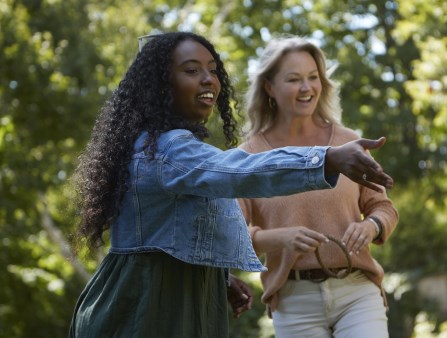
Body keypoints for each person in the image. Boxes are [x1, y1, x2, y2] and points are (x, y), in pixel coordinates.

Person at [68, 31, 393, 338]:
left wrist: (220, 277)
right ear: (161, 84)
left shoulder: (163, 146)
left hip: (175, 296)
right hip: (145, 304)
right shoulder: (169, 150)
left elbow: (173, 230)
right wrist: (327, 160)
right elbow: (242, 171)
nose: (209, 79)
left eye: (212, 69)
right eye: (191, 70)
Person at [238, 36, 399, 338]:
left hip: (357, 291)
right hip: (293, 300)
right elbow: (232, 233)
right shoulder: (249, 156)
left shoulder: (347, 143)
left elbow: (383, 207)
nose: (306, 88)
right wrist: (278, 238)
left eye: (313, 78)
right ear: (269, 87)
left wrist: (373, 226)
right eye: (294, 79)